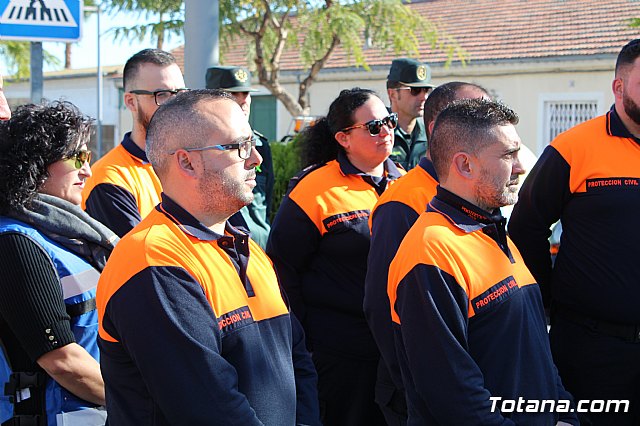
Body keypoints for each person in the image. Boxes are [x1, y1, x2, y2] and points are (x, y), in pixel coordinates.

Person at [97, 89, 320, 425]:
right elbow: (208, 407)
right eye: (240, 146)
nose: (257, 158)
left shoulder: (246, 248)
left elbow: (297, 361)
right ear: (187, 161)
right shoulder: (152, 261)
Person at [388, 99, 578, 425]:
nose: (520, 166)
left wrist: (563, 413)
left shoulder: (493, 232)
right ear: (465, 166)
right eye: (508, 155)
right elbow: (453, 395)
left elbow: (534, 351)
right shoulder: (431, 252)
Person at [509, 38, 640, 426]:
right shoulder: (573, 148)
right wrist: (546, 303)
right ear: (618, 88)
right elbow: (526, 227)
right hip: (592, 350)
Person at [267, 88, 403, 426]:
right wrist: (302, 346)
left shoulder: (403, 180)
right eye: (373, 126)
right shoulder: (313, 189)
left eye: (389, 121)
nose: (386, 131)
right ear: (343, 138)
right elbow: (282, 270)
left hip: (397, 343)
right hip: (340, 351)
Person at [364, 81, 489, 425]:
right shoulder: (402, 204)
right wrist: (412, 390)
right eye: (476, 118)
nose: (490, 128)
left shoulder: (479, 197)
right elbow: (381, 308)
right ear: (438, 131)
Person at [0, 101, 118, 425]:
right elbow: (62, 360)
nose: (87, 170)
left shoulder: (66, 235)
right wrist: (141, 398)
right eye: (77, 157)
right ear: (37, 166)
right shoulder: (16, 243)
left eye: (88, 156)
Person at [82, 48, 188, 237]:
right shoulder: (110, 179)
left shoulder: (191, 162)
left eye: (179, 93)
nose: (174, 104)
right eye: (162, 94)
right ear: (131, 102)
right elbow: (146, 258)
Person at [205, 65, 274, 249]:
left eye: (246, 93)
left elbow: (266, 199)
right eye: (233, 94)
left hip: (260, 249)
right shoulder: (202, 148)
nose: (243, 100)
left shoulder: (260, 146)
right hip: (224, 250)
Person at [387, 58, 435, 170]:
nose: (424, 97)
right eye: (415, 90)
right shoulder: (378, 134)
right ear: (393, 94)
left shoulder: (431, 136)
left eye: (426, 90)